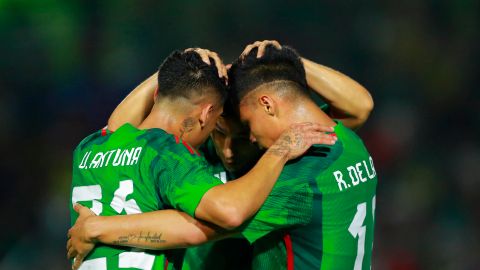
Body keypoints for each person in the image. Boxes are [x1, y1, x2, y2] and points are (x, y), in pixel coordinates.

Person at [96, 40, 374, 270]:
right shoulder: (341, 142)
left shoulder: (290, 166)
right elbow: (122, 135)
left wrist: (99, 229)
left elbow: (205, 226)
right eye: (218, 133)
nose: (228, 150)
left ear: (265, 107)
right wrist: (177, 73)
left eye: (244, 135)